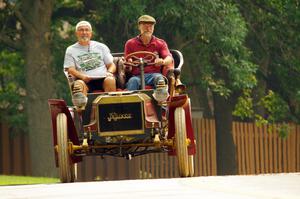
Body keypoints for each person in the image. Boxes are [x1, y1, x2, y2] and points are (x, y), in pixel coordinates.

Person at [63, 20, 116, 96]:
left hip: (103, 79)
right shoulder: (70, 50)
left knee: (110, 80)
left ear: (91, 33)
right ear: (76, 33)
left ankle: (111, 107)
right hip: (84, 81)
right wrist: (82, 76)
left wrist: (110, 72)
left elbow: (112, 65)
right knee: (78, 84)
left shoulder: (101, 47)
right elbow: (70, 69)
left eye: (87, 30)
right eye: (81, 30)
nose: (84, 33)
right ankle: (82, 107)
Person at [124, 15, 174, 91]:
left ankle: (161, 100)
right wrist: (129, 62)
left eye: (150, 26)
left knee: (159, 79)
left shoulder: (160, 43)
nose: (148, 28)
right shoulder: (130, 43)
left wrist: (162, 61)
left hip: (154, 75)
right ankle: (130, 102)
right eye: (145, 26)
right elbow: (127, 62)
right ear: (139, 27)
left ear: (153, 28)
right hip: (137, 76)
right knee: (132, 81)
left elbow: (169, 58)